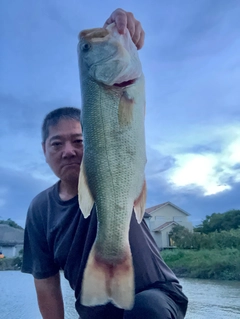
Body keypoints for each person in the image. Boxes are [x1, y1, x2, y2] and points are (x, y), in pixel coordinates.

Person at [21, 8, 188, 319]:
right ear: (43, 150)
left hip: (155, 297)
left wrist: (121, 32)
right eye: (57, 144)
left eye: (79, 140)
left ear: (93, 140)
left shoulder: (117, 124)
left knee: (146, 309)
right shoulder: (40, 210)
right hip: (96, 308)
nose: (68, 151)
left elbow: (129, 110)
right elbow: (45, 283)